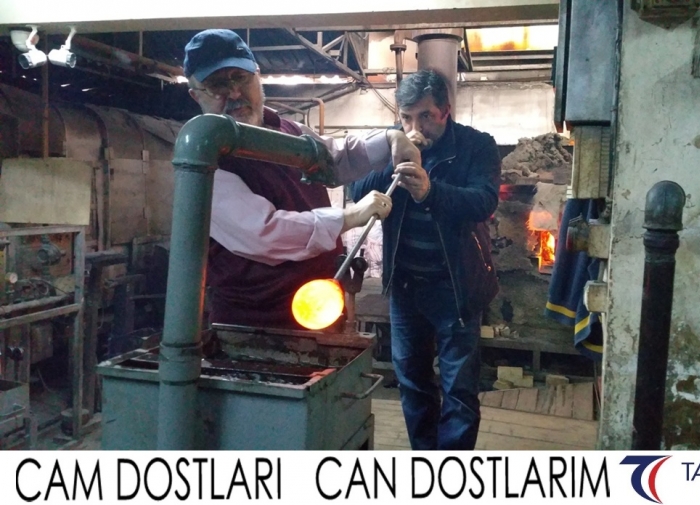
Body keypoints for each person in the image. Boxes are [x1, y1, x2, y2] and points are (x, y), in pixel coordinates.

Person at [182, 29, 420, 329]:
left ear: (258, 76)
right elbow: (265, 233)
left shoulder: (288, 130)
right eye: (217, 85)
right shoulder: (205, 162)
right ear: (195, 94)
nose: (234, 93)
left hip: (319, 308)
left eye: (240, 77)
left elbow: (334, 159)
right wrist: (349, 217)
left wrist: (390, 139)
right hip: (256, 326)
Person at [351, 70, 501, 450]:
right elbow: (356, 189)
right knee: (413, 382)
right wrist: (393, 160)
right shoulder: (391, 141)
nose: (414, 127)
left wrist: (431, 191)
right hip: (406, 286)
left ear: (445, 110)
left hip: (455, 286)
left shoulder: (476, 146)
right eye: (406, 117)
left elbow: (484, 202)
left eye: (425, 116)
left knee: (459, 390)